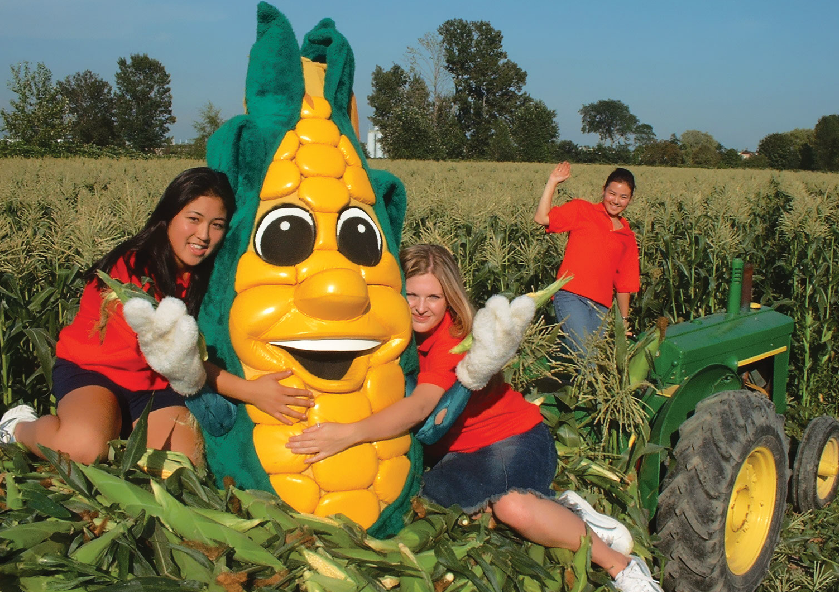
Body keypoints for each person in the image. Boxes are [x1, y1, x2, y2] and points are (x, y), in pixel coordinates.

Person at [286, 244, 662, 592]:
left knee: (511, 507)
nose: (419, 306)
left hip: (509, 441)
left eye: (433, 297)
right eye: (411, 294)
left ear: (449, 297)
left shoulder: (455, 340)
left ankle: (621, 566)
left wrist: (347, 434)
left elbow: (420, 408)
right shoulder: (393, 333)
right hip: (459, 456)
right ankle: (563, 508)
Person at [0, 167, 313, 465]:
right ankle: (19, 427)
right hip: (95, 372)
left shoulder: (207, 274)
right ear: (168, 217)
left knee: (179, 465)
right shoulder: (131, 269)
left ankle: (115, 426)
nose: (203, 235)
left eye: (217, 224)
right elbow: (170, 355)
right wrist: (252, 391)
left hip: (157, 383)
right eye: (194, 219)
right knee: (83, 449)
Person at [533, 162, 640, 357]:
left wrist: (623, 321)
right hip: (571, 297)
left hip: (601, 308)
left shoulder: (627, 236)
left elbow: (625, 284)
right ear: (603, 191)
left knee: (596, 363)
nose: (616, 201)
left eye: (623, 197)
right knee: (586, 357)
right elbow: (542, 218)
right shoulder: (583, 210)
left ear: (630, 200)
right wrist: (553, 182)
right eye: (612, 193)